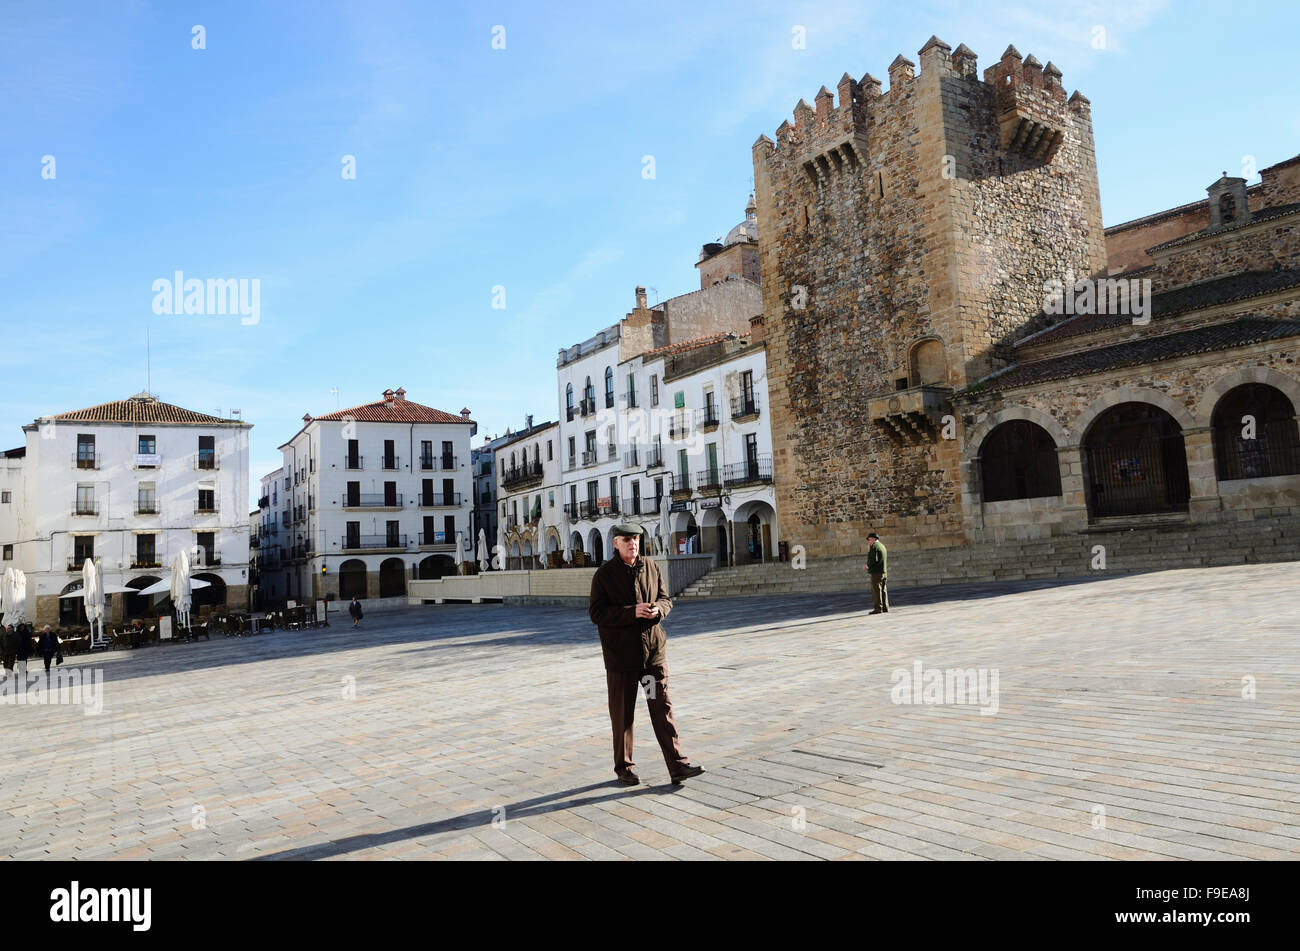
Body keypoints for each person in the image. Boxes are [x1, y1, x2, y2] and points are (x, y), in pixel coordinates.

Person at [589, 523, 704, 787]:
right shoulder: (604, 575)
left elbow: (666, 598)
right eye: (627, 539)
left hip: (652, 656)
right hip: (622, 660)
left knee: (661, 709)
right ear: (616, 543)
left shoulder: (651, 567)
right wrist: (632, 612)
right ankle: (624, 767)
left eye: (636, 539)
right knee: (623, 714)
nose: (633, 544)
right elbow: (596, 613)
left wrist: (658, 611)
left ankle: (677, 765)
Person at [861, 532, 889, 614]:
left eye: (869, 539)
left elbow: (873, 559)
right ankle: (885, 607)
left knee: (876, 590)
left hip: (877, 572)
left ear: (874, 539)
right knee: (883, 590)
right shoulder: (882, 546)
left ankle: (878, 608)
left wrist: (867, 566)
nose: (868, 541)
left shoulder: (874, 546)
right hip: (883, 571)